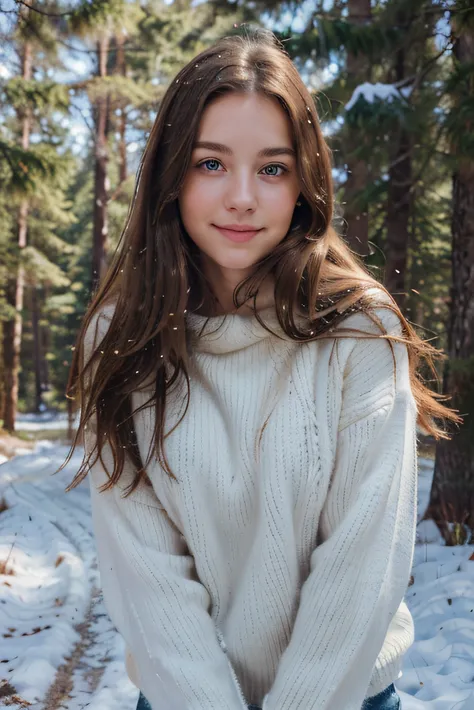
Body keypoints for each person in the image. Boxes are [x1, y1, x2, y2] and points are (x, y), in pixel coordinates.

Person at [61, 27, 459, 710]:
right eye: (211, 163)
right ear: (170, 173)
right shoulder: (121, 336)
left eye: (272, 168)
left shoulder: (360, 329)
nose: (242, 196)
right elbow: (149, 579)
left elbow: (359, 570)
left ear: (303, 182)